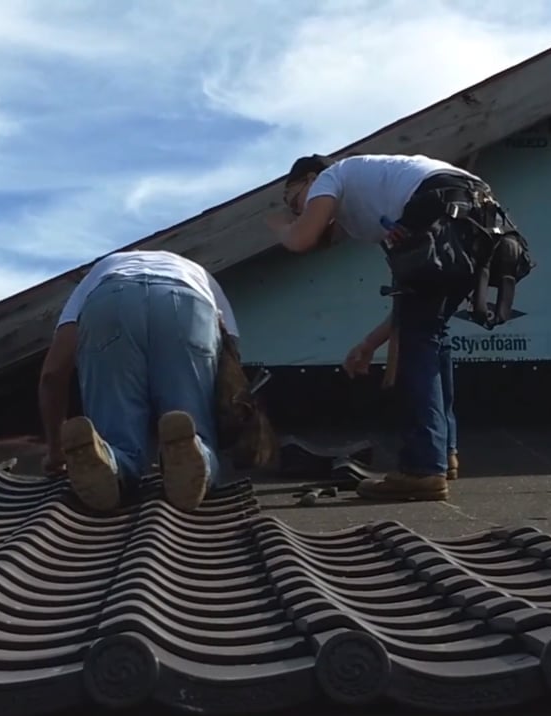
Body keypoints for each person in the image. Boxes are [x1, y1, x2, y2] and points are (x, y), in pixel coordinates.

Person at [267, 153, 520, 502]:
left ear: (310, 179)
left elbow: (301, 239)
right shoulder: (379, 204)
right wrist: (371, 344)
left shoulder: (332, 177)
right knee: (431, 333)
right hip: (475, 219)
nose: (297, 209)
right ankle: (443, 454)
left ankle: (422, 469)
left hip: (444, 209)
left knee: (420, 342)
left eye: (292, 198)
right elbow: (408, 299)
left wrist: (279, 226)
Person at [37, 249, 239, 513]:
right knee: (192, 424)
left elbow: (52, 374)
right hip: (189, 300)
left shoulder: (98, 274)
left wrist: (55, 451)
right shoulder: (198, 273)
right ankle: (196, 452)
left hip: (109, 300)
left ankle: (112, 461)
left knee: (117, 437)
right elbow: (232, 365)